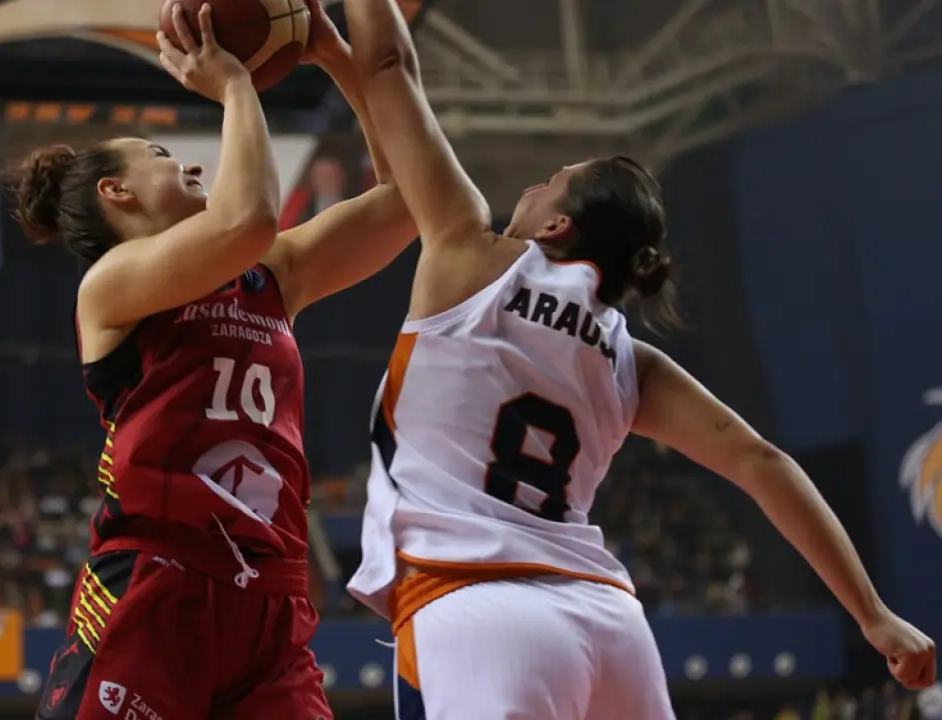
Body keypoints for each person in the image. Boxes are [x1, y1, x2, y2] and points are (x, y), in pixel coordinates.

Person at [340, 1, 938, 718]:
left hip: (477, 609)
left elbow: (389, 65)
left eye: (551, 179)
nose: (532, 185)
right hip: (608, 623)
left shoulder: (468, 253)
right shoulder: (632, 360)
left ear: (557, 223)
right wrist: (873, 613)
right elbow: (763, 463)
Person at [9, 4, 416, 720]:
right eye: (162, 155)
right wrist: (233, 86)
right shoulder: (111, 284)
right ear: (116, 192)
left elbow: (408, 199)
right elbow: (247, 218)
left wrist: (334, 57)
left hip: (271, 596)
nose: (190, 162)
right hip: (159, 586)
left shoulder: (271, 274)